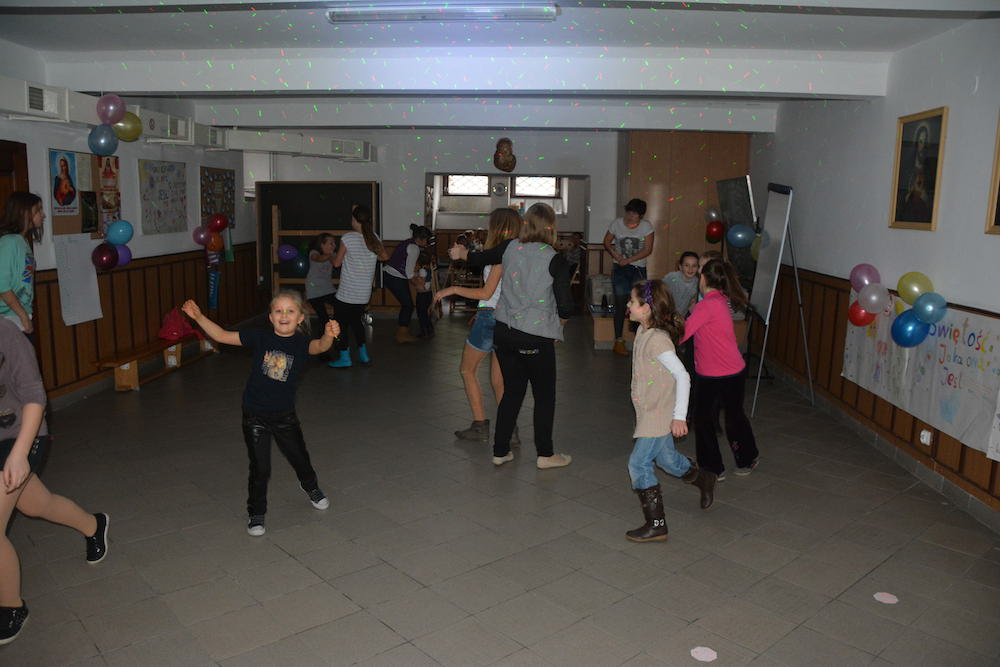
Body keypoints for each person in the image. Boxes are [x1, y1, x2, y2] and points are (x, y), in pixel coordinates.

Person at [181, 293, 338, 536]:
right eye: (278, 311)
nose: (283, 315)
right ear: (270, 317)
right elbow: (221, 335)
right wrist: (199, 317)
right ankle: (256, 512)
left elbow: (320, 346)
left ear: (300, 318)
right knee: (260, 468)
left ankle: (310, 486)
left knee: (299, 457)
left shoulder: (301, 343)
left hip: (285, 416)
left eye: (290, 311)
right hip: (254, 415)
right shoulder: (259, 337)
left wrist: (328, 335)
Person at [0, 319, 108, 645]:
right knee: (37, 505)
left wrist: (19, 455)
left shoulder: (5, 333)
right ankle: (93, 525)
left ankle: (11, 607)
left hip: (21, 436)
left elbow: (35, 396)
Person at [450, 203, 573, 470]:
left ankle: (501, 451)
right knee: (544, 396)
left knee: (512, 392)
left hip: (504, 332)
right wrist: (557, 327)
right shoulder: (555, 259)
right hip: (536, 336)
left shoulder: (509, 247)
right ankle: (545, 454)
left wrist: (462, 253)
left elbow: (478, 259)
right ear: (551, 227)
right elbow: (566, 306)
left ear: (525, 224)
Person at [624, 280, 716, 543]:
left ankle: (657, 524)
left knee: (638, 463)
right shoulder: (643, 331)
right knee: (666, 460)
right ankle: (704, 478)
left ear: (647, 308)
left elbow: (682, 376)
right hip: (649, 409)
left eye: (633, 301)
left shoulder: (658, 341)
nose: (628, 305)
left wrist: (679, 416)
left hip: (659, 413)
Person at [435, 208, 521, 444]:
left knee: (467, 370)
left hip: (491, 319)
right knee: (499, 381)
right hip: (506, 320)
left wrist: (451, 289)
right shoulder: (515, 254)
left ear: (498, 227)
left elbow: (486, 292)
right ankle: (510, 430)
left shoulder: (500, 257)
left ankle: (480, 425)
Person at [680, 259, 760, 481]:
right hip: (734, 371)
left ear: (703, 279)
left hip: (713, 375)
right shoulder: (720, 299)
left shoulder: (706, 305)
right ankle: (747, 458)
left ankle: (712, 467)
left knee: (703, 420)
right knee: (734, 417)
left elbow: (682, 334)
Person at [329, 205, 387, 368]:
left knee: (340, 326)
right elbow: (384, 257)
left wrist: (329, 256)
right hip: (363, 294)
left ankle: (344, 357)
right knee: (356, 322)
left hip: (346, 293)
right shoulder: (374, 237)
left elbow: (337, 263)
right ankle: (363, 355)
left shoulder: (348, 238)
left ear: (354, 220)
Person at [603, 198, 654, 355]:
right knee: (620, 304)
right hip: (620, 269)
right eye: (629, 212)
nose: (630, 216)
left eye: (634, 213)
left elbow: (648, 250)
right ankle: (618, 340)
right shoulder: (617, 223)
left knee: (640, 304)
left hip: (638, 269)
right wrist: (617, 256)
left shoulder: (646, 226)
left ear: (641, 215)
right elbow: (606, 242)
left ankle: (640, 341)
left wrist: (629, 260)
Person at [0, 192, 44, 335]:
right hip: (9, 317)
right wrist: (22, 315)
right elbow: (2, 285)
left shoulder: (22, 241)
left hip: (19, 316)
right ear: (24, 213)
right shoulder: (9, 242)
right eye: (38, 210)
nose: (43, 215)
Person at [383, 224, 432, 344]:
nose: (428, 242)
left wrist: (416, 275)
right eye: (427, 239)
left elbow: (407, 270)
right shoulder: (414, 248)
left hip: (391, 275)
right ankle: (402, 335)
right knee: (408, 306)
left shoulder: (408, 242)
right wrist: (420, 285)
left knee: (407, 305)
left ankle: (403, 331)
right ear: (420, 239)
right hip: (395, 277)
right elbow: (409, 274)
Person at [305, 233, 337, 338]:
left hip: (328, 289)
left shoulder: (333, 255)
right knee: (323, 317)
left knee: (341, 307)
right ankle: (321, 342)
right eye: (331, 243)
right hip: (314, 289)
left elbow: (337, 262)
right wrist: (330, 256)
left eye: (334, 243)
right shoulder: (314, 253)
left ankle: (335, 333)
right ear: (322, 245)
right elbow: (318, 258)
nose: (334, 245)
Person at [662, 251, 700, 317]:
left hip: (680, 317)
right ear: (680, 267)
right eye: (686, 265)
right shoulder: (672, 277)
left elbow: (692, 304)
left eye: (694, 266)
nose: (690, 269)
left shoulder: (697, 283)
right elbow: (659, 292)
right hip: (664, 314)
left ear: (698, 268)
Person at [412, 250, 435, 338]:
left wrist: (413, 279)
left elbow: (421, 284)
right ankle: (430, 329)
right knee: (425, 313)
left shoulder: (422, 270)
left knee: (421, 314)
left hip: (422, 295)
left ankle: (424, 332)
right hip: (428, 294)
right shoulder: (427, 269)